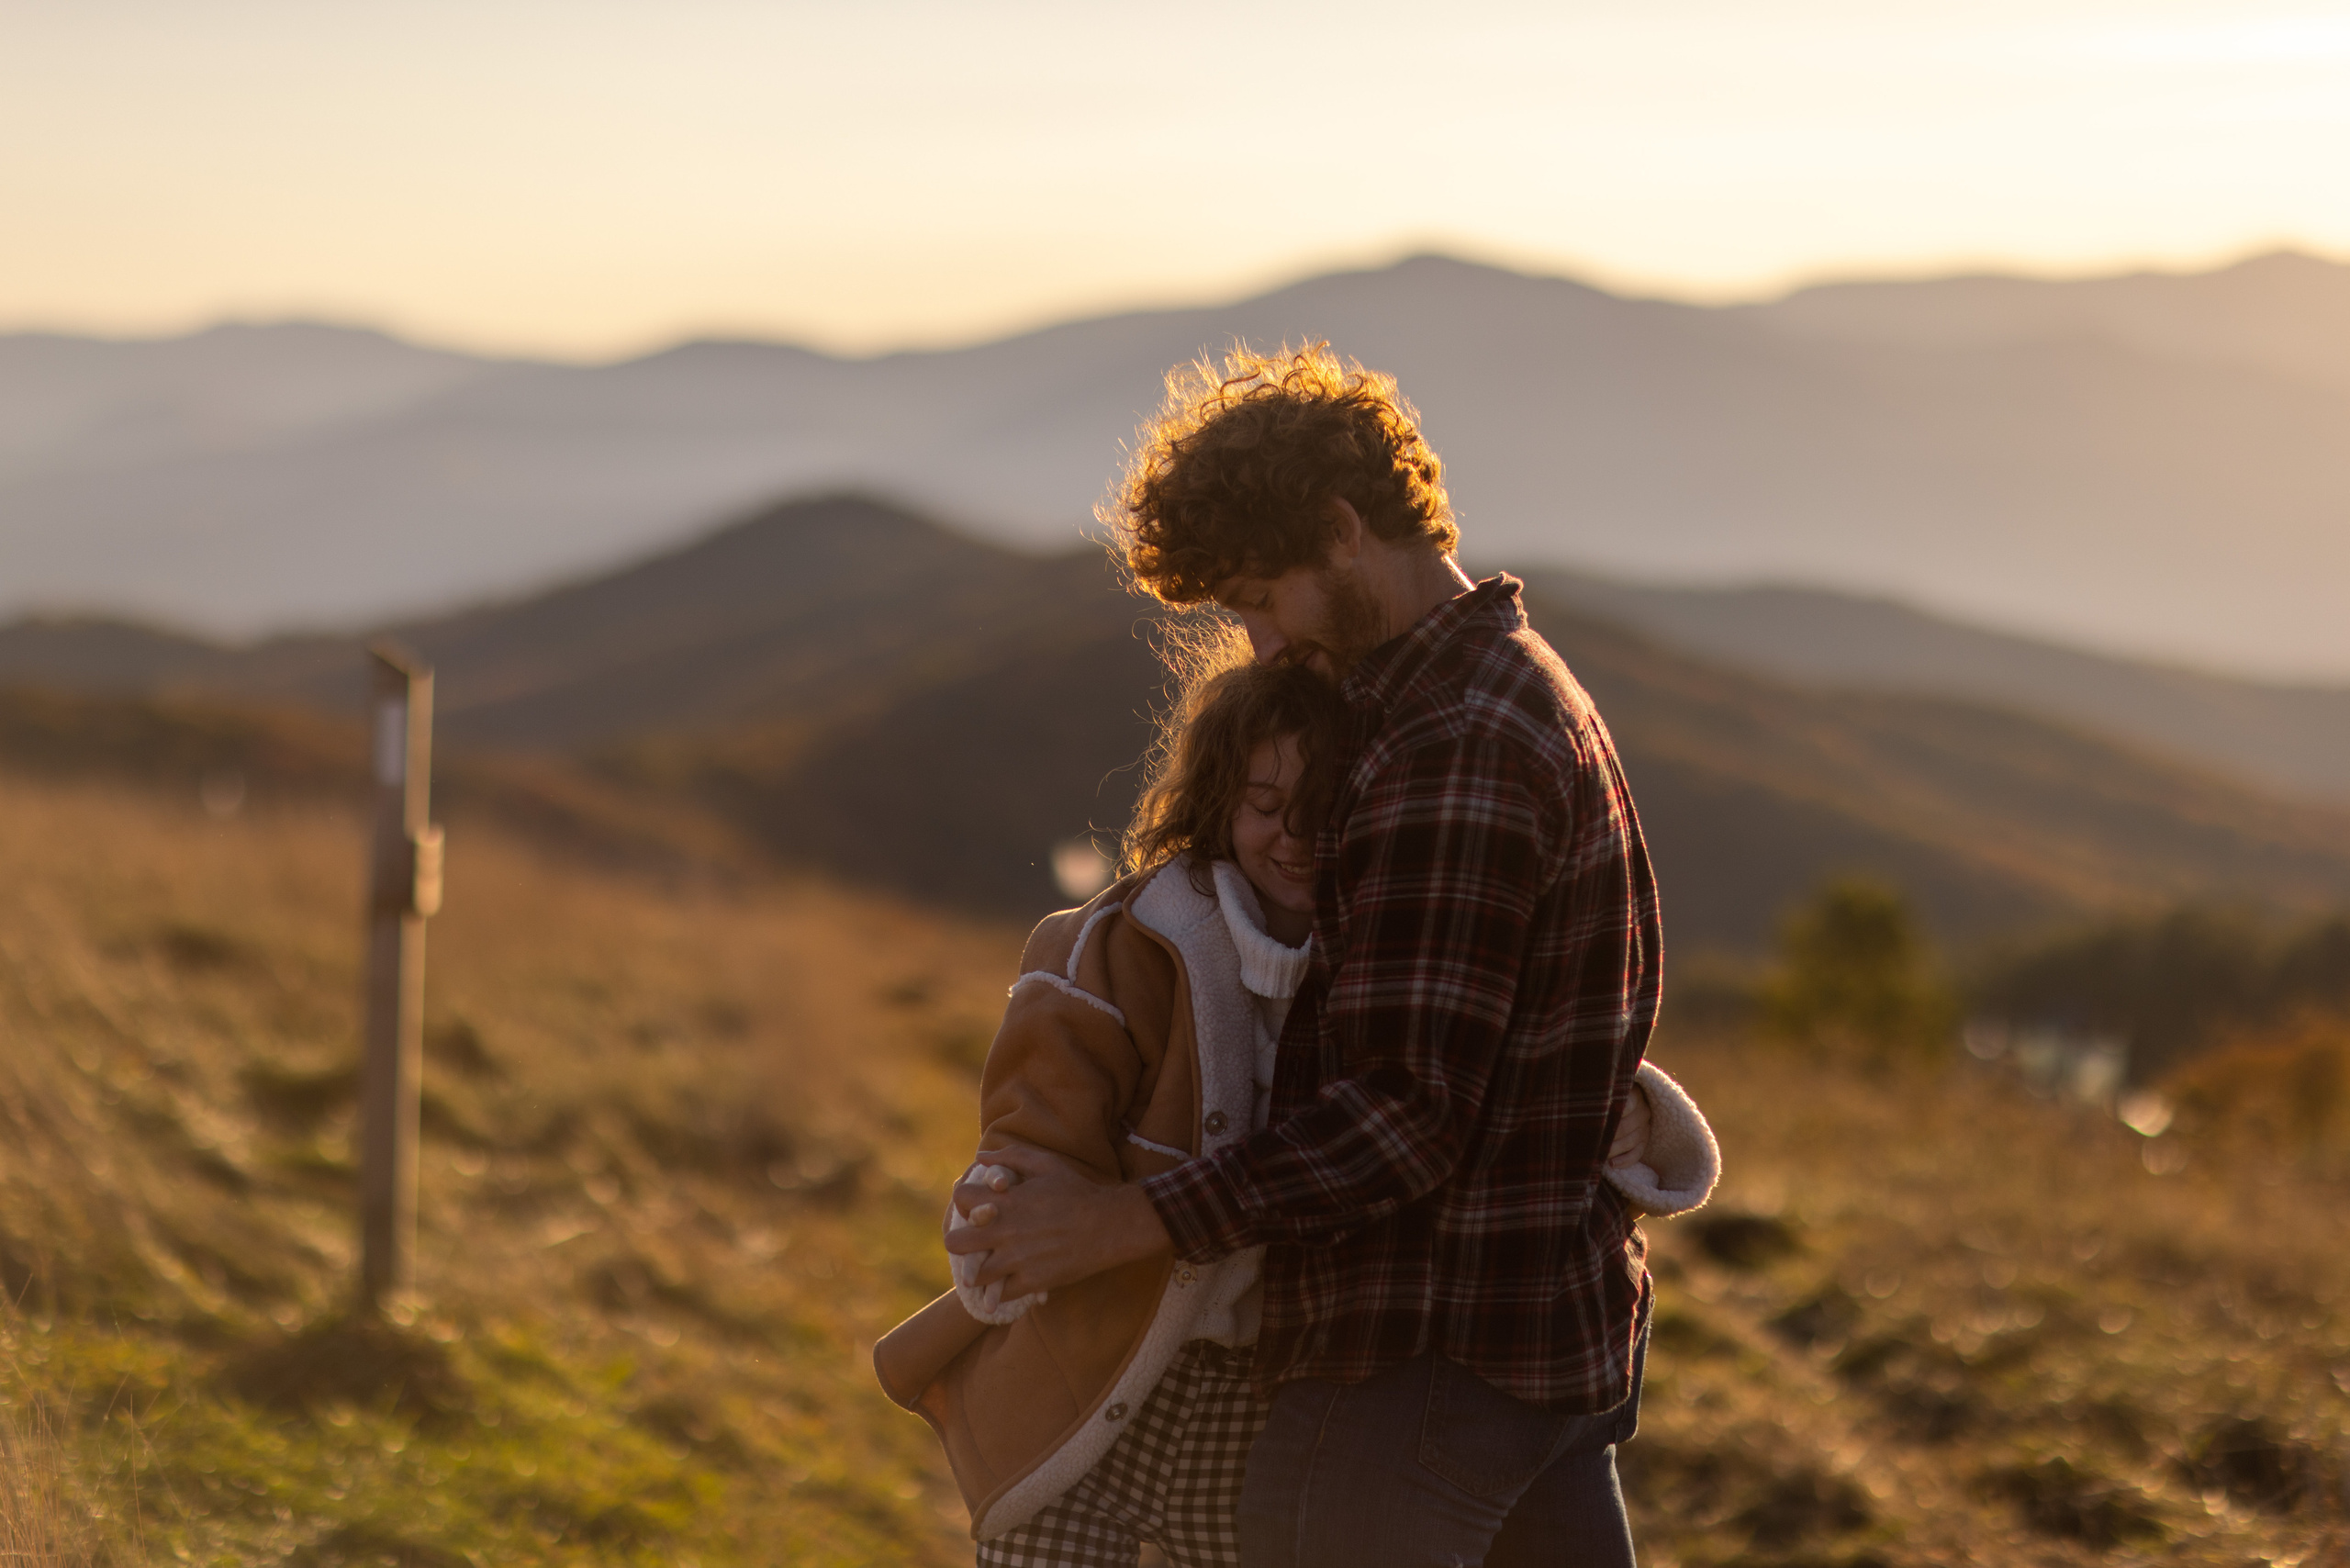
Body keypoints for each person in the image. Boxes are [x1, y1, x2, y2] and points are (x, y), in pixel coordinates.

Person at [938, 343, 1673, 1567]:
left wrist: (1123, 1221)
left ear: (1342, 532)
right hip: (1546, 1340)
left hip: (1422, 1361)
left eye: (1259, 600)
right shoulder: (1511, 689)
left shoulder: (1453, 744)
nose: (1262, 645)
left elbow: (1402, 1114)